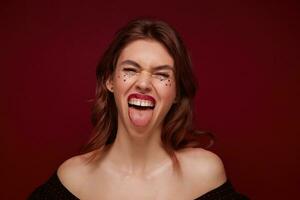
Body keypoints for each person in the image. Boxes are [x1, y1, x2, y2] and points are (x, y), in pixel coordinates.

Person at [29, 18, 248, 199]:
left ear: (176, 94)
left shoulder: (205, 173)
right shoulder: (73, 178)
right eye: (131, 69)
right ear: (110, 81)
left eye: (161, 74)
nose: (143, 84)